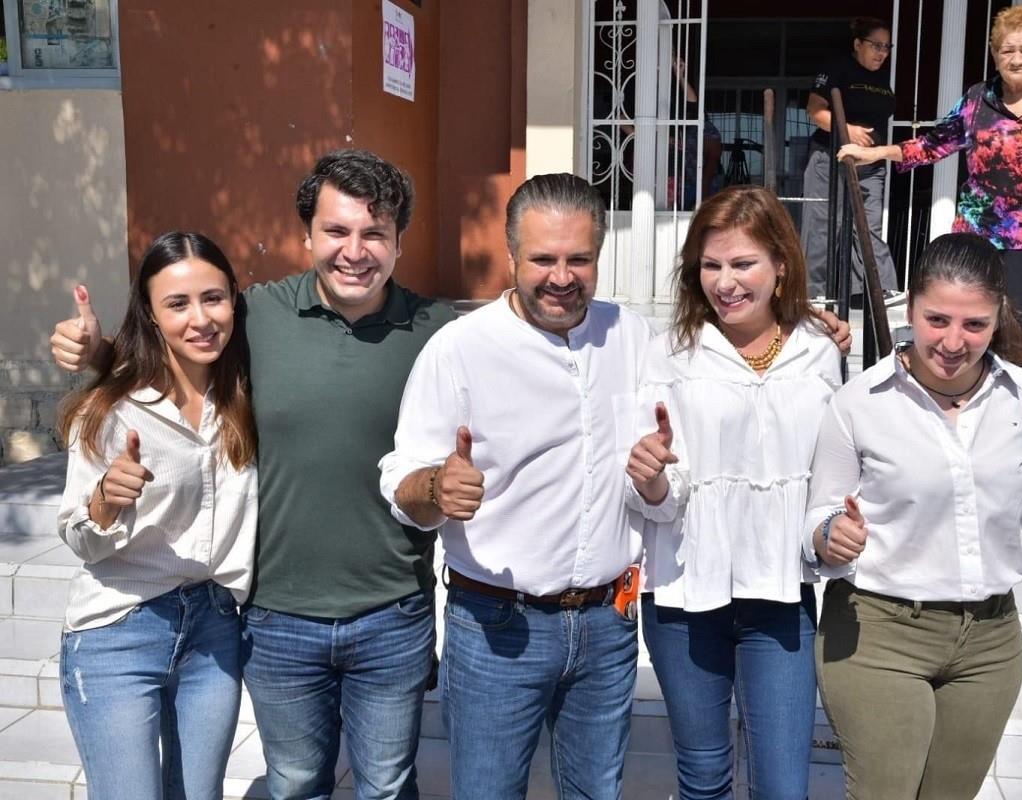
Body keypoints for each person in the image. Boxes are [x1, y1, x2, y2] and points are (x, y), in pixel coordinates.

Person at [378, 174, 851, 799]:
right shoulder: (459, 350)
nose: (561, 275)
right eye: (543, 258)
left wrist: (815, 332)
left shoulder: (632, 338)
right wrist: (435, 487)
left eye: (579, 258)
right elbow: (401, 478)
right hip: (497, 627)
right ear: (512, 254)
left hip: (606, 625)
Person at [50, 149, 457, 800]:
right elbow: (178, 338)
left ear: (400, 242)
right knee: (295, 783)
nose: (355, 250)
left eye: (375, 232)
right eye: (336, 231)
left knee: (386, 786)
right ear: (306, 236)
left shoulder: (440, 332)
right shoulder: (256, 316)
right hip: (275, 617)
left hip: (392, 613)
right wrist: (99, 353)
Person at [805, 232, 1022, 800]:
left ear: (997, 319)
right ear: (909, 307)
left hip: (990, 641)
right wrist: (829, 536)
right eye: (936, 319)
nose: (953, 341)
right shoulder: (859, 403)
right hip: (879, 632)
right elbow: (818, 512)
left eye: (975, 325)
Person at [625, 185, 841, 799]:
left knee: (783, 786)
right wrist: (652, 478)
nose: (725, 282)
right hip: (684, 597)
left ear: (780, 265)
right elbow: (661, 495)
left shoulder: (819, 355)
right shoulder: (668, 353)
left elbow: (826, 480)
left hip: (779, 597)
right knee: (703, 776)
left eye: (742, 263)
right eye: (711, 265)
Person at [56, 231, 257, 800]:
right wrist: (105, 500)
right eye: (177, 303)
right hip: (120, 629)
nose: (201, 319)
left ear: (235, 299)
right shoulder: (112, 410)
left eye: (213, 298)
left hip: (214, 628)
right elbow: (80, 537)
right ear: (149, 312)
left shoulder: (245, 391)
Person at [837, 6, 1022, 387]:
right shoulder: (979, 98)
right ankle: (968, 398)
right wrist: (878, 153)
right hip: (978, 232)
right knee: (971, 321)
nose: (1016, 59)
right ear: (995, 55)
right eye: (1007, 50)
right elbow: (935, 142)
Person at [802, 17, 903, 306]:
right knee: (822, 226)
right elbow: (815, 111)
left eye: (887, 47)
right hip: (830, 158)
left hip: (870, 166)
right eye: (875, 45)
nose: (882, 52)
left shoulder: (882, 79)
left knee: (869, 228)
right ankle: (814, 294)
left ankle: (879, 291)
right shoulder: (837, 68)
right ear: (858, 44)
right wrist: (850, 131)